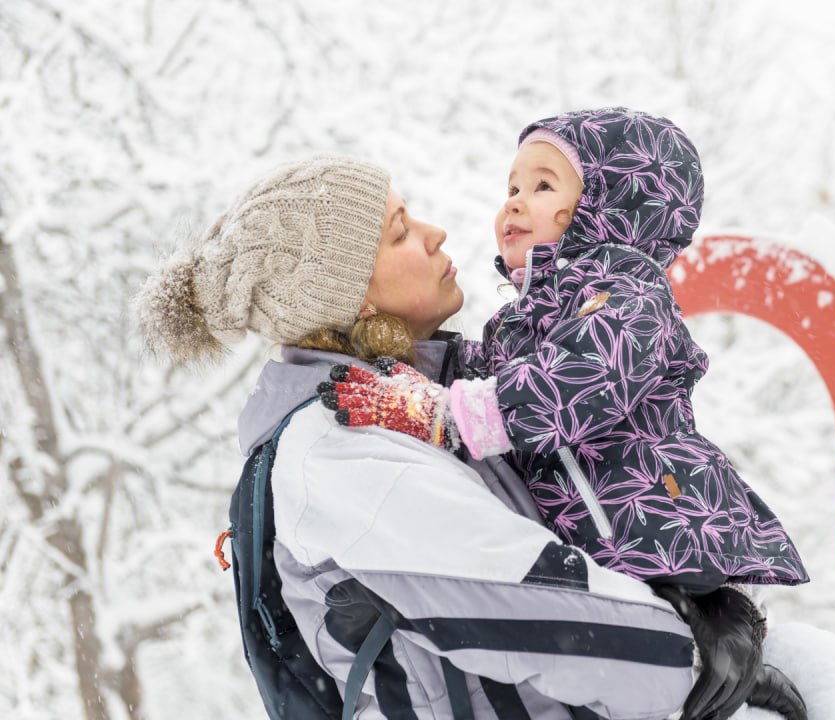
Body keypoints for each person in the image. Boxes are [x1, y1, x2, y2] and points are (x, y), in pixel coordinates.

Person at [134, 155, 775, 719]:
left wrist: (703, 592)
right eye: (401, 231)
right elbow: (563, 619)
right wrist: (699, 653)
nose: (435, 232)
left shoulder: (428, 407)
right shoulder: (341, 450)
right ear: (352, 297)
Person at [322, 108, 810, 717]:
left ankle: (759, 687)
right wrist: (405, 361)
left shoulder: (630, 298)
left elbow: (577, 382)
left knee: (689, 663)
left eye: (544, 186)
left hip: (657, 529)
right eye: (513, 188)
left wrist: (440, 415)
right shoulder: (524, 318)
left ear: (607, 208)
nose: (516, 204)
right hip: (605, 548)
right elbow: (489, 373)